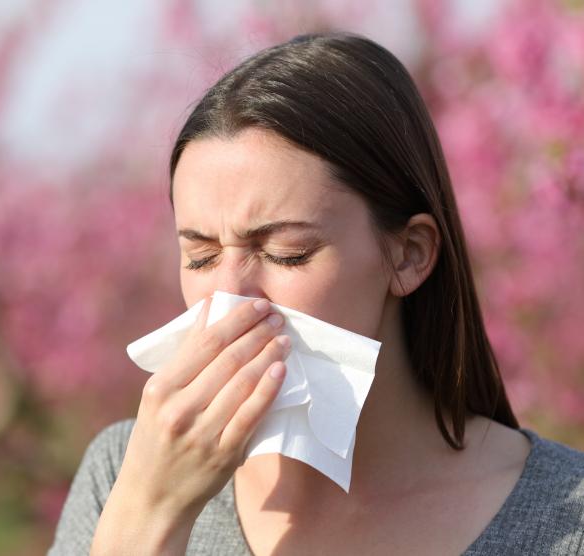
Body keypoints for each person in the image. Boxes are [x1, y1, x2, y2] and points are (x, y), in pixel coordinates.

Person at [48, 32, 584, 555]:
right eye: (202, 256)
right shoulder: (123, 474)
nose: (229, 297)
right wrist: (151, 513)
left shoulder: (566, 518)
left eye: (287, 253)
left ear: (409, 254)